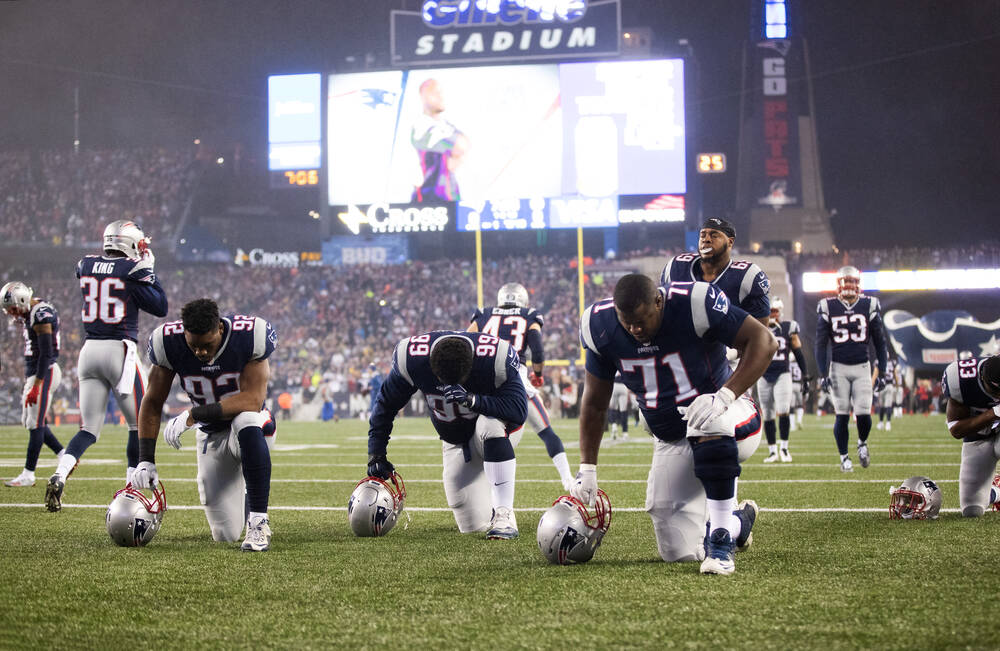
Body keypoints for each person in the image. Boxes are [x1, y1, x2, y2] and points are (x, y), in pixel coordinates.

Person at [573, 274, 776, 575]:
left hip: (729, 416)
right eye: (626, 321)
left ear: (659, 301)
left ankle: (720, 542)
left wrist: (724, 396)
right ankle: (737, 522)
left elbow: (764, 340)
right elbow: (594, 402)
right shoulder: (599, 325)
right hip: (671, 437)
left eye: (642, 320)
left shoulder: (694, 303)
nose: (635, 329)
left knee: (707, 418)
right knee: (676, 550)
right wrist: (587, 467)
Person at [132, 298, 278, 551]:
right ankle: (245, 492)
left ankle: (258, 522)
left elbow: (253, 400)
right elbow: (153, 402)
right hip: (212, 436)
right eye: (194, 346)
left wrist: (195, 414)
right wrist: (145, 458)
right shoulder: (168, 343)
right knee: (225, 533)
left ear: (220, 329)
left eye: (206, 345)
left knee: (245, 419)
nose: (200, 352)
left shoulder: (248, 335)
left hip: (255, 426)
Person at [45, 220, 168, 512]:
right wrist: (150, 270)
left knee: (88, 429)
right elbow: (160, 307)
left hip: (88, 352)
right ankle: (131, 492)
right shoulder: (133, 269)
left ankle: (60, 474)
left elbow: (100, 276)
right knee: (138, 425)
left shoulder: (85, 264)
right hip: (120, 351)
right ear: (130, 244)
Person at [367, 330, 527, 539]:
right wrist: (376, 454)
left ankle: (504, 514)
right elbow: (385, 405)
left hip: (497, 429)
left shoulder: (495, 357)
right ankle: (489, 503)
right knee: (469, 520)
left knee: (489, 425)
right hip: (454, 440)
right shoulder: (412, 359)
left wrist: (473, 400)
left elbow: (518, 410)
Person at [468, 282, 574, 490]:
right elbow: (538, 350)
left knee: (479, 435)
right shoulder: (529, 314)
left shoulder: (484, 313)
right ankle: (568, 480)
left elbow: (466, 342)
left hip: (485, 382)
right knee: (546, 432)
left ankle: (479, 487)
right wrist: (539, 374)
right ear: (522, 299)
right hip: (517, 380)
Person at [814, 265, 888, 472]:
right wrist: (822, 373)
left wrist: (881, 370)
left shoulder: (869, 304)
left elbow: (880, 342)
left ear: (858, 284)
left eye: (853, 281)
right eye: (845, 281)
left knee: (864, 413)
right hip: (838, 368)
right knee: (842, 415)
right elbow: (820, 343)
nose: (849, 285)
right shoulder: (828, 306)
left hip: (863, 367)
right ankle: (844, 457)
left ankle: (862, 443)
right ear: (838, 284)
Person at [1, 282, 65, 487]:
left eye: (12, 308)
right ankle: (65, 455)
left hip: (44, 373)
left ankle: (28, 474)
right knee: (31, 421)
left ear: (21, 299)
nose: (12, 313)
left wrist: (37, 384)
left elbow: (46, 353)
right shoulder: (32, 312)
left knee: (35, 423)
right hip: (38, 374)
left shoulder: (40, 314)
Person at [660, 217, 771, 328]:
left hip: (728, 343)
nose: (706, 239)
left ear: (730, 242)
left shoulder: (747, 277)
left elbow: (761, 334)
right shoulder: (676, 267)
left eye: (714, 235)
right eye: (702, 235)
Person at [941, 354, 1000, 517]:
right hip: (978, 437)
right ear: (982, 378)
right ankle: (996, 492)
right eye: (996, 391)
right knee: (972, 511)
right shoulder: (960, 379)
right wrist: (993, 413)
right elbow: (956, 430)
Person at [757, 298, 811, 463]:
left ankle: (785, 448)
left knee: (783, 410)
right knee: (767, 413)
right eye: (770, 311)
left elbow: (798, 353)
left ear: (779, 312)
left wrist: (805, 375)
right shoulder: (759, 328)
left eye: (775, 311)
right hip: (763, 375)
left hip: (782, 374)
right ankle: (772, 451)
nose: (773, 314)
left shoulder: (788, 328)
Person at [411, 78, 468, 202]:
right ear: (424, 96)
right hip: (427, 202)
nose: (441, 97)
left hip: (451, 199)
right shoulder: (421, 127)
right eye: (435, 93)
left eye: (441, 93)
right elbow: (460, 146)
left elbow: (463, 146)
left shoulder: (446, 126)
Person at [876, 356, 899, 430]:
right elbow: (895, 374)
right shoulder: (892, 362)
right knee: (888, 405)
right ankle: (888, 423)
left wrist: (873, 384)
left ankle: (881, 422)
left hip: (882, 385)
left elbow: (876, 374)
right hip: (890, 385)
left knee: (882, 405)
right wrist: (897, 384)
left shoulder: (878, 361)